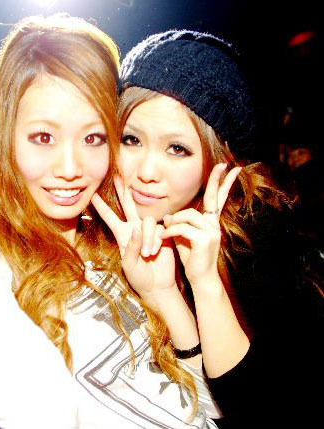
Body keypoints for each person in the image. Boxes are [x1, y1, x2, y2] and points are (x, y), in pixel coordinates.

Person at [0, 17, 221, 428]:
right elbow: (42, 415)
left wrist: (166, 296)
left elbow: (205, 407)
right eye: (44, 137)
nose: (70, 169)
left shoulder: (118, 242)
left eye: (93, 138)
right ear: (7, 136)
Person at [106, 30, 323, 427]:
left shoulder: (255, 243)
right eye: (131, 139)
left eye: (177, 149)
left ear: (217, 163)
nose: (147, 171)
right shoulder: (84, 218)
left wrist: (205, 284)